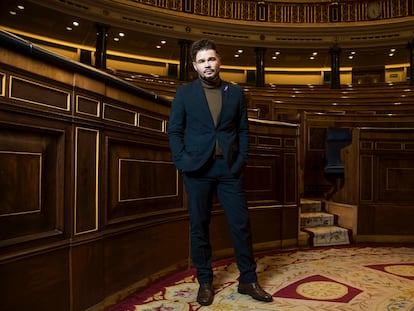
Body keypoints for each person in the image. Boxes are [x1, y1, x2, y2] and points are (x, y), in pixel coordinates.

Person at [167, 38, 273, 306]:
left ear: (219, 61)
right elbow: (175, 130)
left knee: (241, 224)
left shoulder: (234, 92)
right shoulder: (184, 93)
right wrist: (181, 161)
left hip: (229, 168)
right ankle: (205, 281)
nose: (207, 65)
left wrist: (241, 161)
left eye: (211, 59)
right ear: (195, 66)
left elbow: (243, 130)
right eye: (201, 61)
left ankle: (248, 280)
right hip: (197, 169)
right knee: (199, 226)